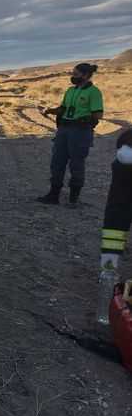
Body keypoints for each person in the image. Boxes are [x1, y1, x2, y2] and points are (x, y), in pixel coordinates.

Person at [38, 63, 104, 208]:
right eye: (72, 73)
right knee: (57, 162)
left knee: (77, 164)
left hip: (80, 131)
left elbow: (98, 114)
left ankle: (73, 199)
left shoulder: (94, 92)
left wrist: (85, 121)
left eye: (76, 74)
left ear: (86, 75)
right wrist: (51, 111)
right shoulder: (70, 90)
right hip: (64, 129)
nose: (73, 77)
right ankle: (53, 195)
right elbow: (63, 109)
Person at [100, 128, 132, 269]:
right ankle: (109, 262)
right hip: (125, 166)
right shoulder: (124, 163)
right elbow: (117, 214)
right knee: (117, 216)